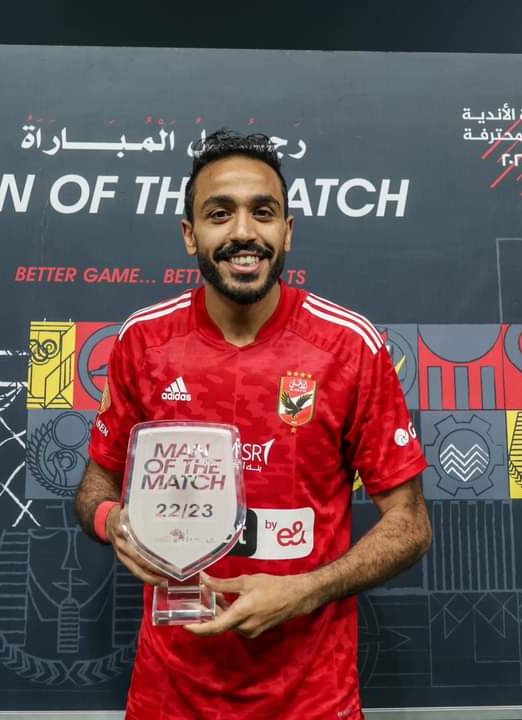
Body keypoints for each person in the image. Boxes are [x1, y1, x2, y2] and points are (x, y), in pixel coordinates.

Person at [73, 129, 432, 720]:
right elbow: (95, 487)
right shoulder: (143, 341)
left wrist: (304, 591)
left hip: (312, 700)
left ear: (287, 231)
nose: (244, 232)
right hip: (169, 698)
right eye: (220, 214)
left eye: (262, 213)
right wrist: (112, 522)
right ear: (190, 234)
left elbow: (411, 525)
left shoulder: (350, 347)